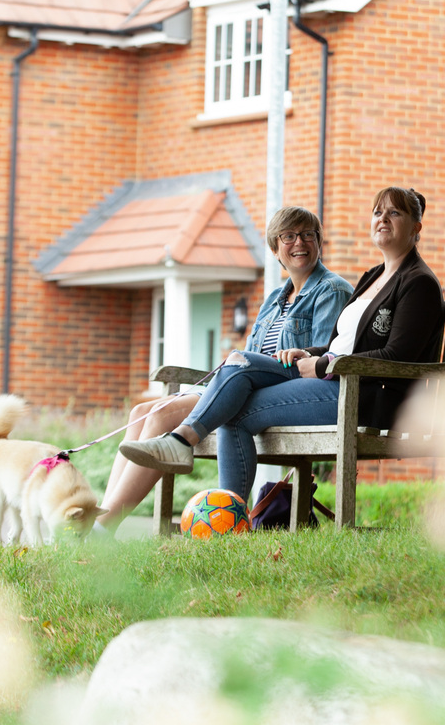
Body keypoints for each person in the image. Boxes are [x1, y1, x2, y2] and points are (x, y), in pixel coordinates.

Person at [117, 187, 444, 503]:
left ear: (416, 227)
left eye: (394, 213)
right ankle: (214, 494)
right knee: (239, 364)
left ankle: (191, 456)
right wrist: (310, 353)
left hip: (367, 397)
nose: (383, 218)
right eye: (377, 212)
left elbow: (396, 357)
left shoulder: (419, 282)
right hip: (340, 381)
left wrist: (321, 364)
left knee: (238, 397)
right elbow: (341, 344)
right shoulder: (374, 276)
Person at [97, 206, 351, 530]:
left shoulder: (331, 290)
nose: (299, 242)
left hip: (284, 389)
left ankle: (106, 525)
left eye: (307, 235)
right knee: (143, 411)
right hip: (247, 384)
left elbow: (323, 358)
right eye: (288, 236)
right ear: (275, 249)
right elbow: (254, 353)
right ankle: (100, 514)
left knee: (166, 414)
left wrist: (247, 365)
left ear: (319, 242)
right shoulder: (275, 297)